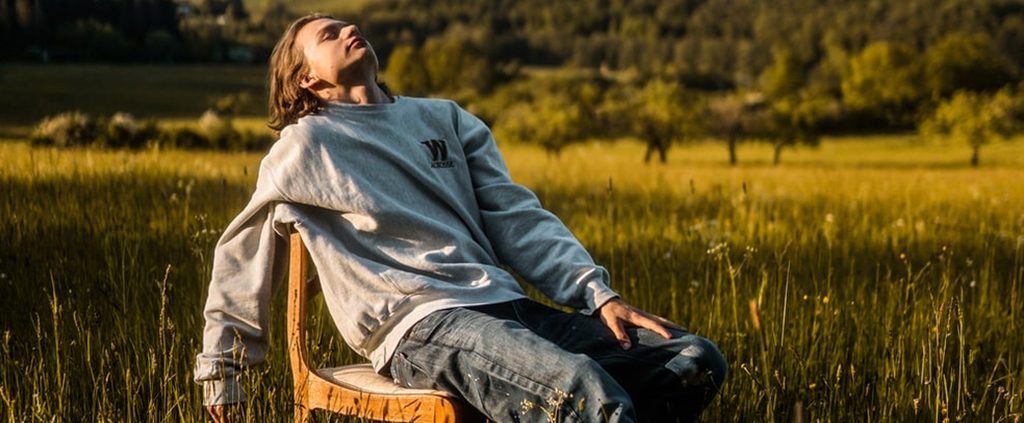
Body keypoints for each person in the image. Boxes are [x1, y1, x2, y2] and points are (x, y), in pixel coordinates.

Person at [194, 13, 728, 423]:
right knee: (582, 390)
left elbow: (516, 214)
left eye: (348, 24)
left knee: (693, 361)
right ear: (306, 79)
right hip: (423, 324)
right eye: (330, 35)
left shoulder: (443, 117)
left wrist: (597, 295)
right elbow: (243, 253)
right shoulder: (307, 144)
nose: (350, 28)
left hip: (507, 306)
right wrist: (222, 369)